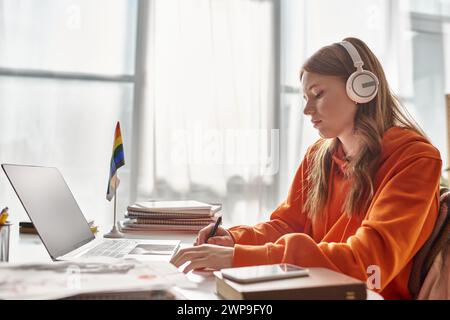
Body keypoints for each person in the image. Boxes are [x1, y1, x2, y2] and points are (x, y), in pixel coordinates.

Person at [170, 37, 442, 299]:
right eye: (305, 98)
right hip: (312, 289)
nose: (307, 110)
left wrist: (237, 258)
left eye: (318, 94)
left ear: (361, 88)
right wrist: (232, 239)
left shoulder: (415, 160)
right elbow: (288, 225)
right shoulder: (318, 156)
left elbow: (368, 263)